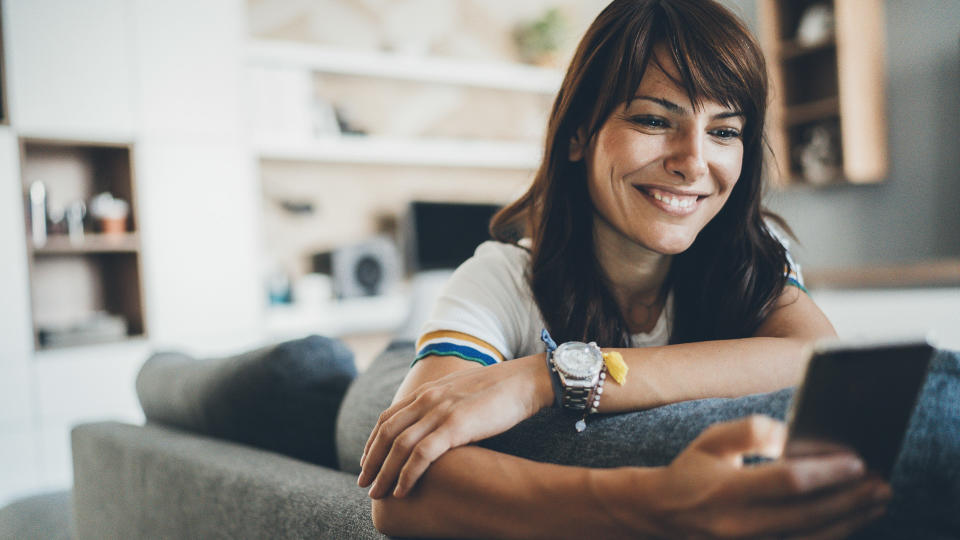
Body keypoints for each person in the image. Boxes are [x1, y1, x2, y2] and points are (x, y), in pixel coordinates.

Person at [359, 0, 891, 537]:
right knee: (343, 395)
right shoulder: (501, 277)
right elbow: (399, 497)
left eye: (725, 132)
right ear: (577, 135)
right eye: (654, 119)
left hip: (509, 368)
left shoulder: (753, 252)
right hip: (396, 370)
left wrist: (545, 379)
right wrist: (660, 504)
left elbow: (817, 358)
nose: (694, 161)